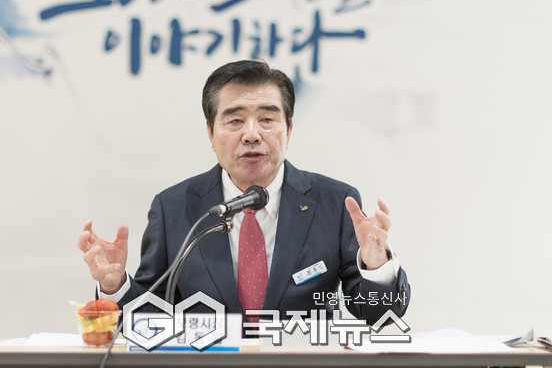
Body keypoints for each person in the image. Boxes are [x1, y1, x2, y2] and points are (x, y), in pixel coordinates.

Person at [78, 60, 410, 326]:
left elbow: (380, 314)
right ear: (211, 134)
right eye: (235, 121)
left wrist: (376, 264)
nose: (251, 134)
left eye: (267, 119)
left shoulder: (334, 202)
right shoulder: (174, 207)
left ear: (288, 130)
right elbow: (150, 320)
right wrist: (115, 285)